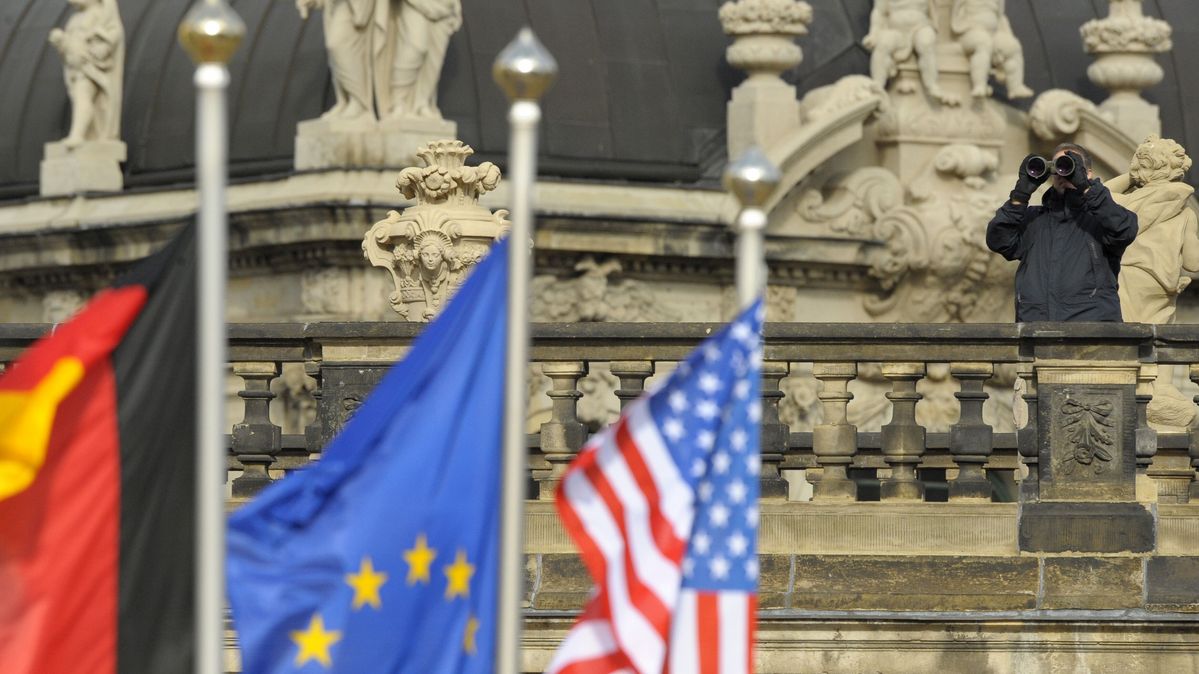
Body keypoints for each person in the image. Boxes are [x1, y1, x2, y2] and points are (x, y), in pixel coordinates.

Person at [986, 144, 1138, 321]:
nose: (1062, 174)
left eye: (1068, 166)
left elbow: (1125, 229)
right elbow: (998, 240)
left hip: (1091, 331)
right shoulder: (1034, 219)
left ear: (1088, 173)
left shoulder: (1100, 218)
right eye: (1058, 167)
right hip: (1036, 328)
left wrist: (1084, 186)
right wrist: (1020, 194)